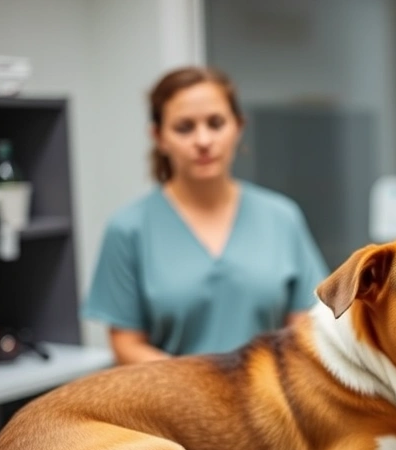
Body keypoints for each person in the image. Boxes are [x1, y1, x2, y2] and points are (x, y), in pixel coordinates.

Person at [83, 66, 329, 364]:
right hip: (171, 405)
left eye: (216, 123)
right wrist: (205, 394)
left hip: (268, 402)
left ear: (238, 127)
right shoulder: (128, 229)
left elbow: (306, 326)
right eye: (184, 127)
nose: (203, 140)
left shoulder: (282, 217)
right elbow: (126, 344)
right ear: (159, 137)